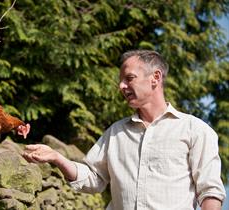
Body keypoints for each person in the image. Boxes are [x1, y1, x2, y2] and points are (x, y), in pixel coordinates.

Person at [23, 50, 226, 210]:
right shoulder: (115, 132)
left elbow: (209, 191)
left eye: (129, 78)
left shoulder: (195, 130)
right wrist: (57, 157)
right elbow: (94, 178)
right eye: (121, 80)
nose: (121, 86)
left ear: (155, 77)